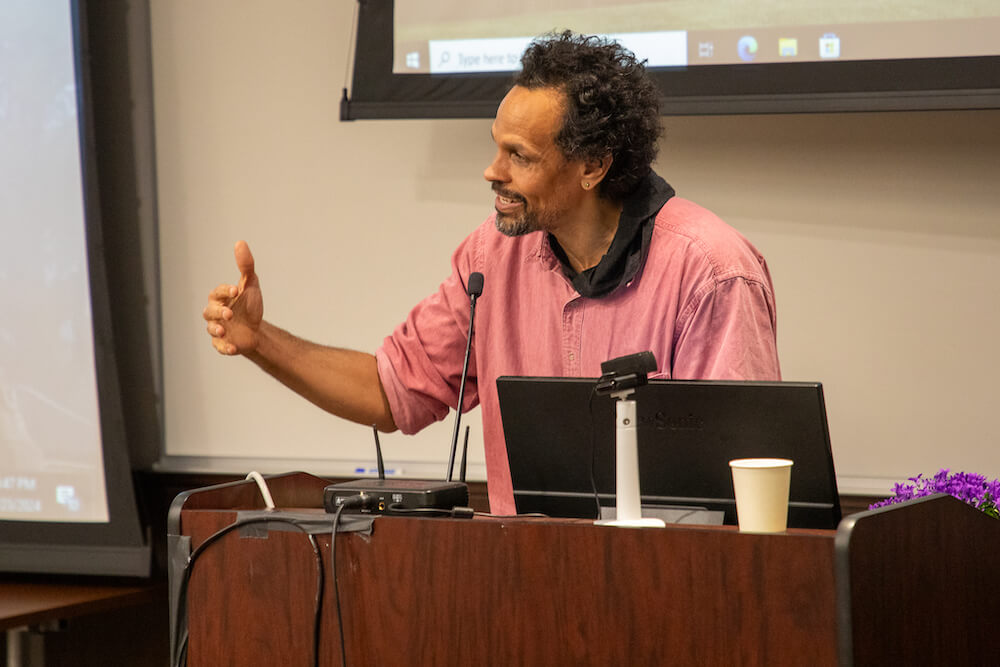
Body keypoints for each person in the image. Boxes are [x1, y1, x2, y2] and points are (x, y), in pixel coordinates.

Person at [203, 31, 781, 515]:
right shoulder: (490, 258)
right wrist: (260, 341)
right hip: (519, 590)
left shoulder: (713, 272)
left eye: (519, 156)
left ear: (593, 166)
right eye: (495, 147)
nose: (491, 171)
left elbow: (746, 488)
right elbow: (389, 390)